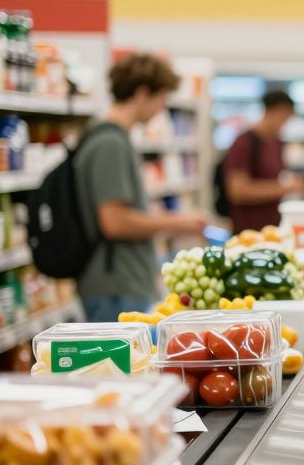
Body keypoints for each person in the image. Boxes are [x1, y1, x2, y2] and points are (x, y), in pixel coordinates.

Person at [77, 53, 208, 322]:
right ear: (142, 93)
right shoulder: (110, 144)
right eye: (162, 97)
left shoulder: (113, 138)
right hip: (115, 287)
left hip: (121, 282)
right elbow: (114, 221)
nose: (162, 107)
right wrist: (177, 223)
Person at [222, 90, 304, 233]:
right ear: (273, 111)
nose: (285, 124)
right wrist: (284, 188)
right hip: (248, 230)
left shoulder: (275, 142)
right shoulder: (244, 143)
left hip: (272, 226)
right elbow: (237, 191)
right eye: (285, 118)